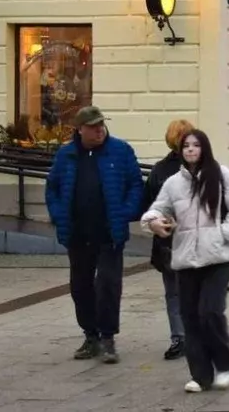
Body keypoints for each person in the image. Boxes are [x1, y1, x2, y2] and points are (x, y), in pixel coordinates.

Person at [141, 129, 229, 393]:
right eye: (186, 146)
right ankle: (201, 376)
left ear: (205, 148)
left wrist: (223, 234)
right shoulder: (173, 183)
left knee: (211, 312)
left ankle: (224, 365)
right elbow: (156, 209)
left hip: (217, 258)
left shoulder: (221, 175)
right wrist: (153, 221)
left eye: (196, 145)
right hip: (185, 260)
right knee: (190, 318)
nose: (191, 150)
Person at [45, 105, 144, 364]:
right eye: (93, 126)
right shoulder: (66, 155)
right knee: (80, 286)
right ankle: (91, 335)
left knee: (109, 284)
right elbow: (52, 188)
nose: (99, 130)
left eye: (101, 125)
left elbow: (135, 184)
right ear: (80, 130)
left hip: (109, 232)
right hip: (78, 233)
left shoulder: (120, 151)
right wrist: (58, 214)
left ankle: (108, 337)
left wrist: (125, 212)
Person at [141, 119, 196, 361]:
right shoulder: (201, 168)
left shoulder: (159, 170)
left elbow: (149, 203)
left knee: (173, 292)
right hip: (194, 241)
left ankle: (179, 337)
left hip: (167, 241)